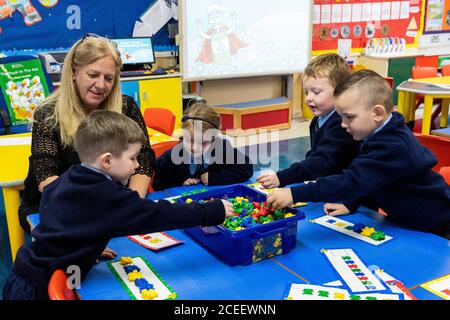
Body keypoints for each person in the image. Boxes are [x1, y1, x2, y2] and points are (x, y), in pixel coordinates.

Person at [3, 110, 233, 300]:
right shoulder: (106, 194)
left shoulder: (73, 176)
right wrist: (213, 210)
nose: (136, 166)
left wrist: (86, 244)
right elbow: (159, 214)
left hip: (25, 274)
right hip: (39, 289)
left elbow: (57, 211)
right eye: (132, 158)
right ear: (107, 160)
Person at [266, 69, 450, 238]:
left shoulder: (393, 145)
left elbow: (353, 180)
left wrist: (294, 193)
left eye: (349, 117)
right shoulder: (377, 132)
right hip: (411, 221)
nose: (343, 124)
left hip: (437, 225)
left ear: (377, 113)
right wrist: (351, 203)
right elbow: (372, 178)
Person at [18, 34, 155, 233]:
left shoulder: (126, 106)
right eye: (93, 75)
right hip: (55, 205)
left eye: (109, 78)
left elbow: (144, 158)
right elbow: (45, 173)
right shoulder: (48, 114)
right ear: (74, 72)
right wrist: (87, 223)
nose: (101, 85)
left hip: (112, 202)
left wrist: (131, 204)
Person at [257, 53, 360, 189]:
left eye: (316, 92)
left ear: (340, 92)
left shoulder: (341, 124)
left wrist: (283, 177)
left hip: (349, 194)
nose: (308, 98)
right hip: (329, 185)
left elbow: (323, 161)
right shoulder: (317, 121)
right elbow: (315, 155)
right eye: (306, 92)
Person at [152, 102, 253, 190]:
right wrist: (180, 185)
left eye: (203, 143)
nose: (194, 148)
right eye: (189, 140)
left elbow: (246, 168)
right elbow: (158, 185)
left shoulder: (222, 148)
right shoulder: (170, 157)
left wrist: (216, 178)